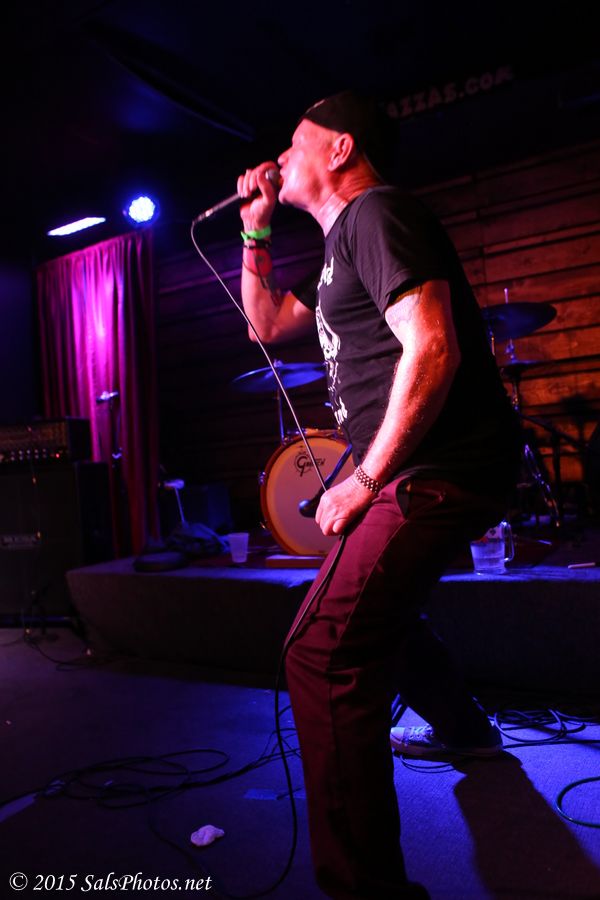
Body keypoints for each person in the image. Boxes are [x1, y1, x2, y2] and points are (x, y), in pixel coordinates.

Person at [237, 91, 520, 900]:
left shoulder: (378, 213)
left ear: (340, 149)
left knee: (321, 652)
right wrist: (256, 230)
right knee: (375, 608)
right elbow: (266, 324)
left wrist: (364, 478)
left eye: (296, 143)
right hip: (414, 465)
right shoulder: (340, 245)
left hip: (438, 465)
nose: (279, 158)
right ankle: (464, 729)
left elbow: (432, 347)